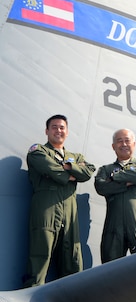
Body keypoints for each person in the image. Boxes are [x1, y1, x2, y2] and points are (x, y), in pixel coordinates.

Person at [23, 114, 96, 287]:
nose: (58, 130)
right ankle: (31, 296)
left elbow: (89, 171)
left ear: (67, 132)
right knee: (40, 254)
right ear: (47, 131)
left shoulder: (74, 157)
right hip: (46, 206)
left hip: (69, 209)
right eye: (54, 127)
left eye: (62, 127)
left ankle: (73, 300)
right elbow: (50, 168)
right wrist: (72, 175)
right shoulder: (38, 151)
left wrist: (70, 167)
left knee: (72, 256)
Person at [94, 128, 136, 263]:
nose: (124, 144)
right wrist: (126, 182)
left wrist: (115, 177)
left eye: (127, 140)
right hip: (114, 223)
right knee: (110, 265)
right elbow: (101, 187)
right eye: (119, 141)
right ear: (113, 146)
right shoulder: (105, 169)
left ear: (134, 144)